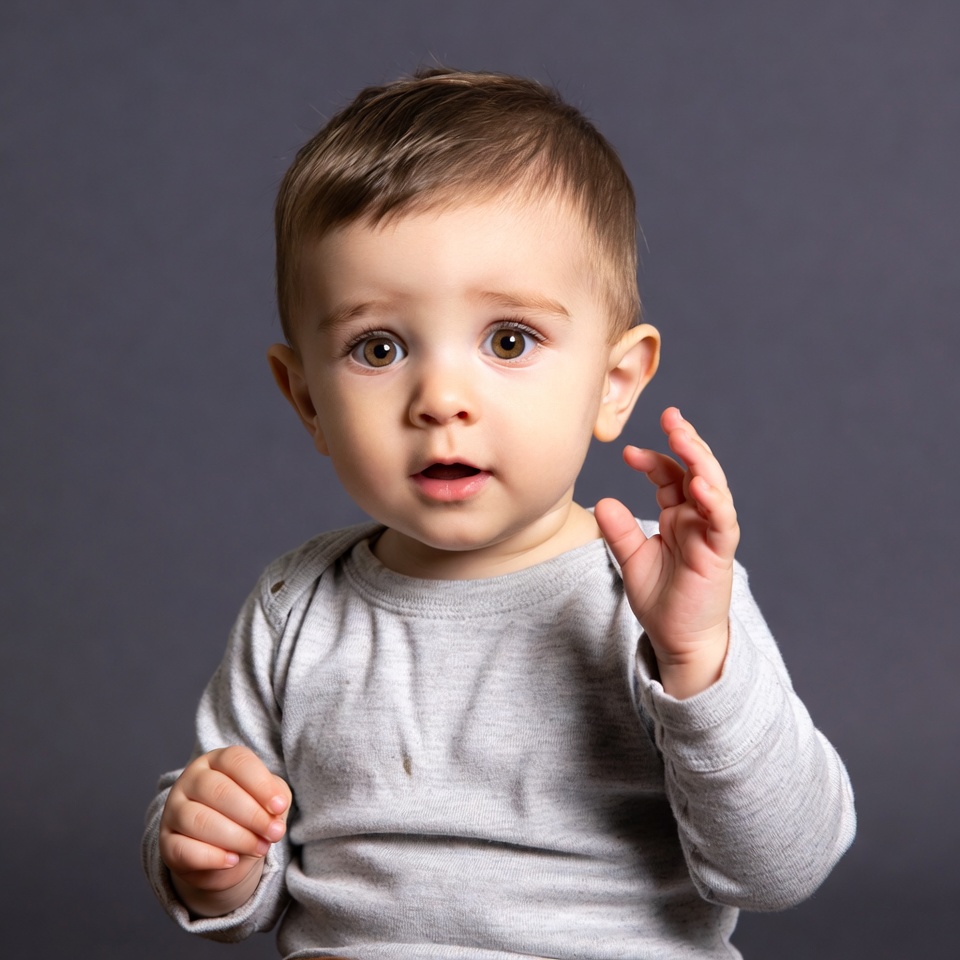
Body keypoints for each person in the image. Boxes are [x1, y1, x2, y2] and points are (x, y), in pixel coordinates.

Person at [142, 67, 855, 958]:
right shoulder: (297, 606)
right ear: (307, 401)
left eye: (508, 340)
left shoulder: (661, 602)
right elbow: (241, 855)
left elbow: (781, 868)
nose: (441, 396)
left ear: (613, 382)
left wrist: (697, 661)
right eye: (379, 347)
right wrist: (208, 856)